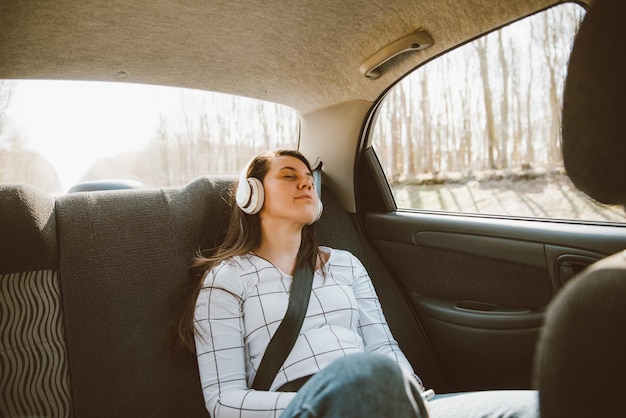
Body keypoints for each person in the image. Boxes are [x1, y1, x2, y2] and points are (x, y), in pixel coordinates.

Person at [171, 149, 539, 418]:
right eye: (287, 175)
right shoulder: (226, 278)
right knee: (364, 376)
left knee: (537, 405)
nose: (305, 181)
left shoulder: (346, 264)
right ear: (251, 194)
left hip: (384, 396)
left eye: (307, 177)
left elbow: (383, 346)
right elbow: (223, 400)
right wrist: (320, 404)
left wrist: (409, 394)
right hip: (307, 406)